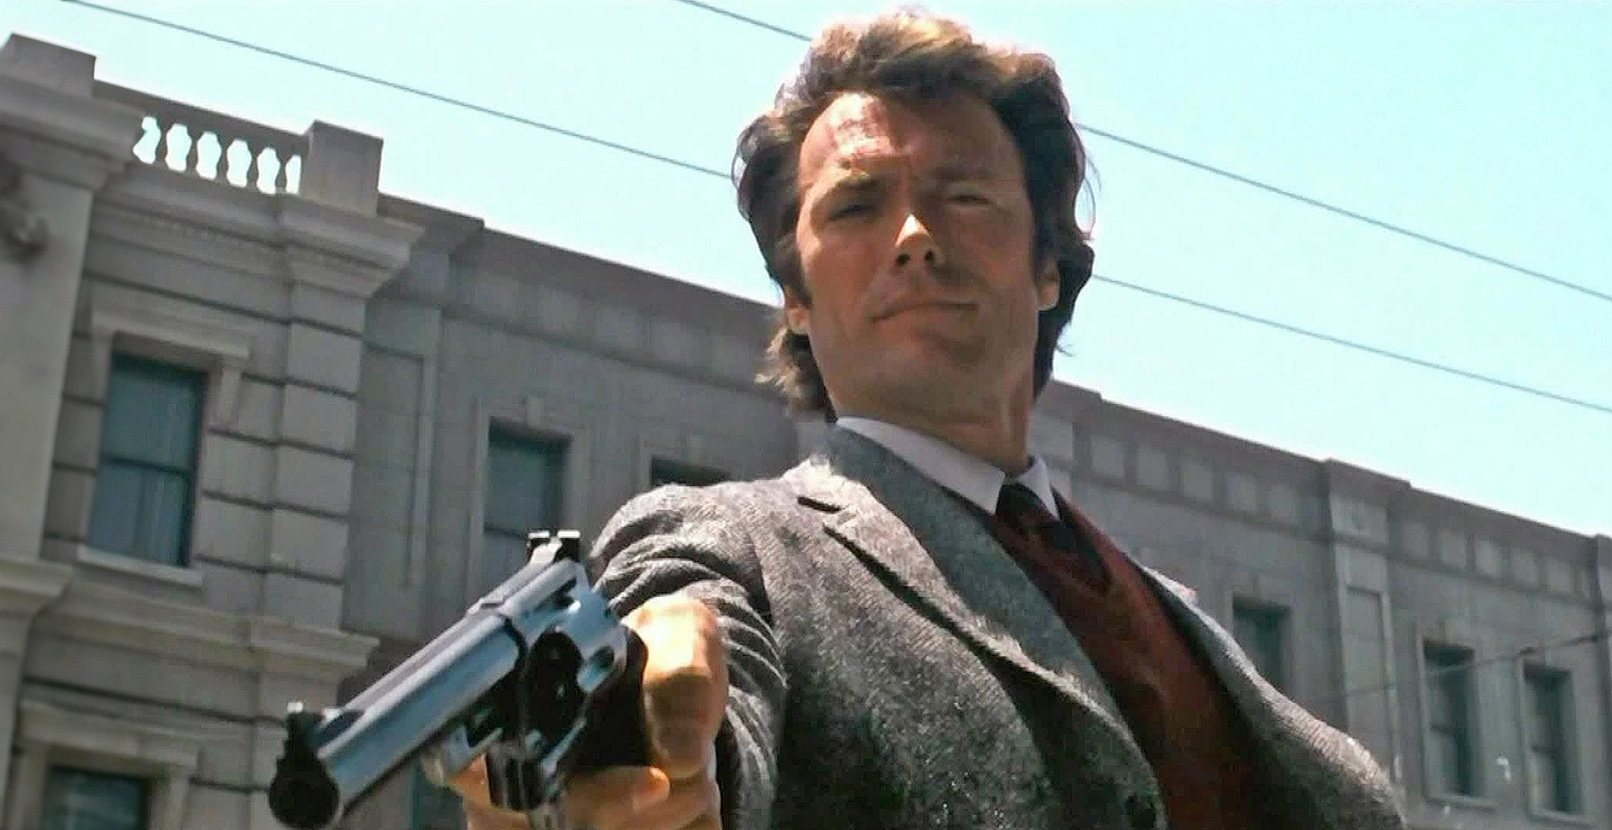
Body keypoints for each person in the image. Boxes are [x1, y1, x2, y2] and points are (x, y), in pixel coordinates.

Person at [455, 9, 1406, 830]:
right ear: (795, 297)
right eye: (855, 207)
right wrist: (661, 748)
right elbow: (688, 671)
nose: (914, 237)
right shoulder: (734, 547)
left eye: (964, 196)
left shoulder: (1183, 619)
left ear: (1046, 268)